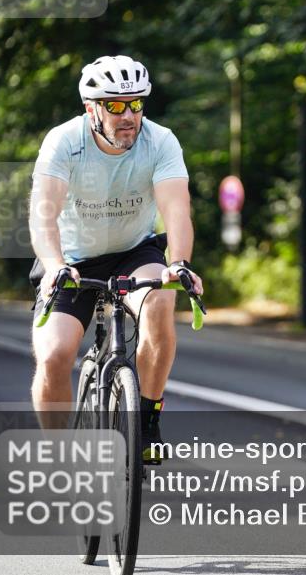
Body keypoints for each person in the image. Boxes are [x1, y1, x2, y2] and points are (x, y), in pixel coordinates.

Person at [28, 55, 203, 463]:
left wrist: (179, 262)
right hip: (71, 261)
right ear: (92, 109)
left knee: (160, 299)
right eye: (116, 105)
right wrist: (54, 265)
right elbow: (43, 214)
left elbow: (177, 210)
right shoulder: (64, 142)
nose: (128, 116)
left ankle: (147, 420)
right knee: (54, 356)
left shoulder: (160, 141)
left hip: (133, 252)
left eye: (136, 104)